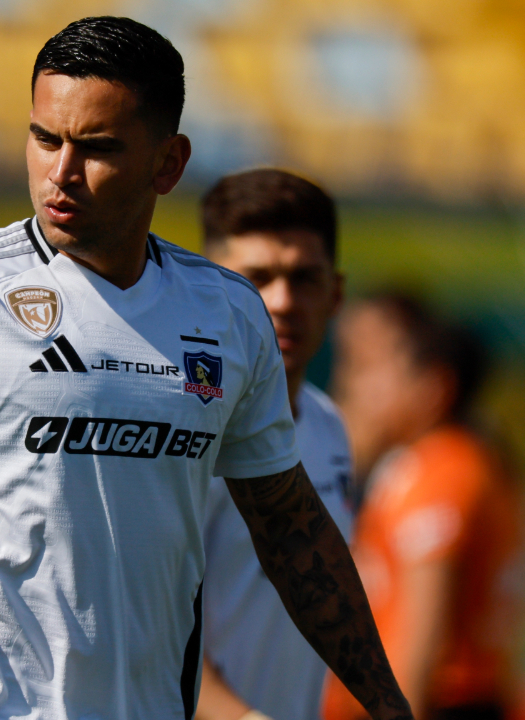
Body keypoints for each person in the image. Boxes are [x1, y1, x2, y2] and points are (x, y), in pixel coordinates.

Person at [0, 17, 412, 720]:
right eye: (45, 139)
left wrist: (388, 705)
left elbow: (290, 528)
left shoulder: (225, 311)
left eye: (97, 148)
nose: (60, 173)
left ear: (169, 163)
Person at [321, 294, 525, 720]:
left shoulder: (438, 471)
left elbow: (423, 627)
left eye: (386, 371)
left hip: (438, 702)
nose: (367, 388)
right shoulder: (462, 460)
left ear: (433, 388)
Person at [194, 169, 352, 720]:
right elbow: (135, 625)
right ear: (210, 290)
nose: (282, 301)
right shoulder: (185, 435)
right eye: (257, 278)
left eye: (304, 278)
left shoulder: (330, 426)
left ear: (335, 294)